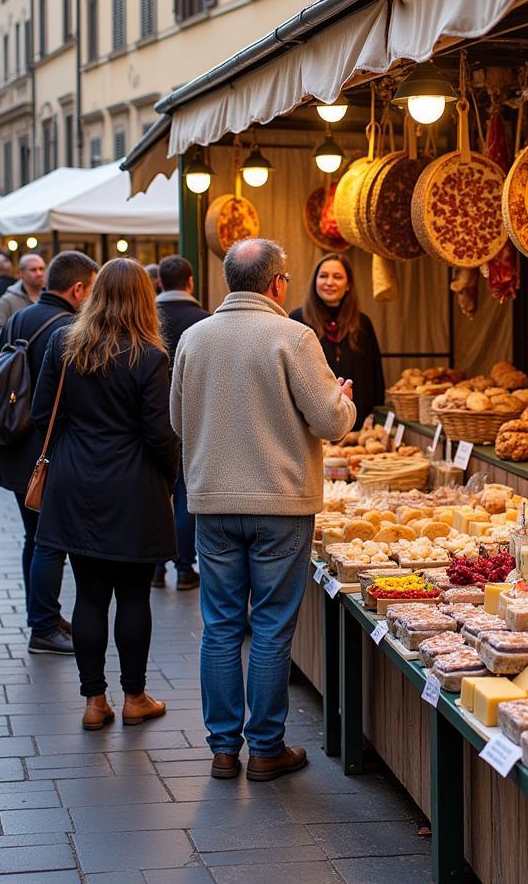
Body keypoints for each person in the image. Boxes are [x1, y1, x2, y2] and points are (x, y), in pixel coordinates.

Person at [171, 238, 355, 781]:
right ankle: (265, 749)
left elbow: (179, 423)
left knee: (221, 627)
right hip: (281, 502)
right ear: (278, 284)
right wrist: (341, 398)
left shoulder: (194, 337)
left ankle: (223, 749)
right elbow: (331, 422)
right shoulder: (294, 337)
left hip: (212, 503)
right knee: (272, 628)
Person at [31, 258, 179, 730]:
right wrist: (170, 477)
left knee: (89, 595)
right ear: (143, 298)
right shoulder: (151, 356)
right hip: (134, 486)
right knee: (134, 596)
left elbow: (41, 414)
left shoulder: (64, 344)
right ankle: (134, 697)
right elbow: (159, 433)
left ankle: (94, 702)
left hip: (75, 482)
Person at [0, 250, 100, 655]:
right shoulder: (70, 329)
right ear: (79, 288)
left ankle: (44, 614)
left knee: (33, 538)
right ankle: (43, 626)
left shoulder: (20, 316)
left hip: (13, 445)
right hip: (45, 453)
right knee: (49, 542)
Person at [153, 255, 209, 590]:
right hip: (192, 418)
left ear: (160, 281)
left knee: (158, 494)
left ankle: (156, 566)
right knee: (186, 493)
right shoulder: (204, 320)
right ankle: (185, 567)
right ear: (190, 282)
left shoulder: (147, 318)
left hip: (151, 418)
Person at [289, 253, 385, 431]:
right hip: (312, 427)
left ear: (348, 285)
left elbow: (375, 376)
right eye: (323, 276)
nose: (329, 282)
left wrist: (374, 416)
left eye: (338, 277)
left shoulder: (362, 323)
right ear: (315, 282)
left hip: (358, 427)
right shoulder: (297, 320)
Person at [0, 253, 46, 350]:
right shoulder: (8, 299)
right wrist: (18, 345)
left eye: (41, 269)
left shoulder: (50, 296)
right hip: (21, 361)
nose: (39, 273)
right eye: (33, 270)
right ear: (21, 273)